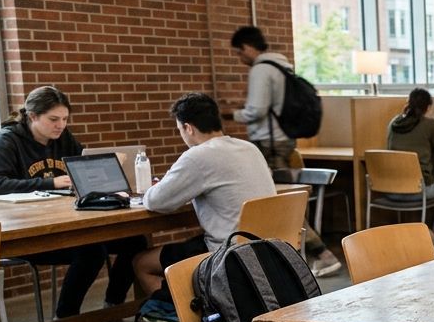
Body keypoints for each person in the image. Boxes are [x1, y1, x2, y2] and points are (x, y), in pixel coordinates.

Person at [0, 86, 145, 322]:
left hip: (66, 222)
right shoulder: (8, 140)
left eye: (65, 119)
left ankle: (112, 309)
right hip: (31, 232)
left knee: (135, 242)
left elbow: (83, 166)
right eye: (54, 120)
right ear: (32, 116)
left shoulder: (63, 139)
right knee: (91, 251)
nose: (61, 126)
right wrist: (51, 183)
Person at [133, 93, 277, 295]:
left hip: (227, 253)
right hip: (270, 248)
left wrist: (153, 188)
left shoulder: (198, 156)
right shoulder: (249, 148)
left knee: (141, 263)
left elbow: (155, 201)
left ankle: (177, 321)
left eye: (179, 130)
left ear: (188, 128)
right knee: (190, 245)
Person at [230, 25, 343, 277]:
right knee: (281, 202)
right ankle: (310, 255)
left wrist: (232, 113)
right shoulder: (284, 67)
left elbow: (256, 111)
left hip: (268, 145)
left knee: (276, 204)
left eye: (239, 53)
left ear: (248, 47)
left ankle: (320, 254)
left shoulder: (261, 70)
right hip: (286, 141)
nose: (240, 59)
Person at [385, 88, 434, 250]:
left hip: (389, 189)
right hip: (418, 190)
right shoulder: (429, 124)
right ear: (428, 107)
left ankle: (427, 235)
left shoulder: (393, 123)